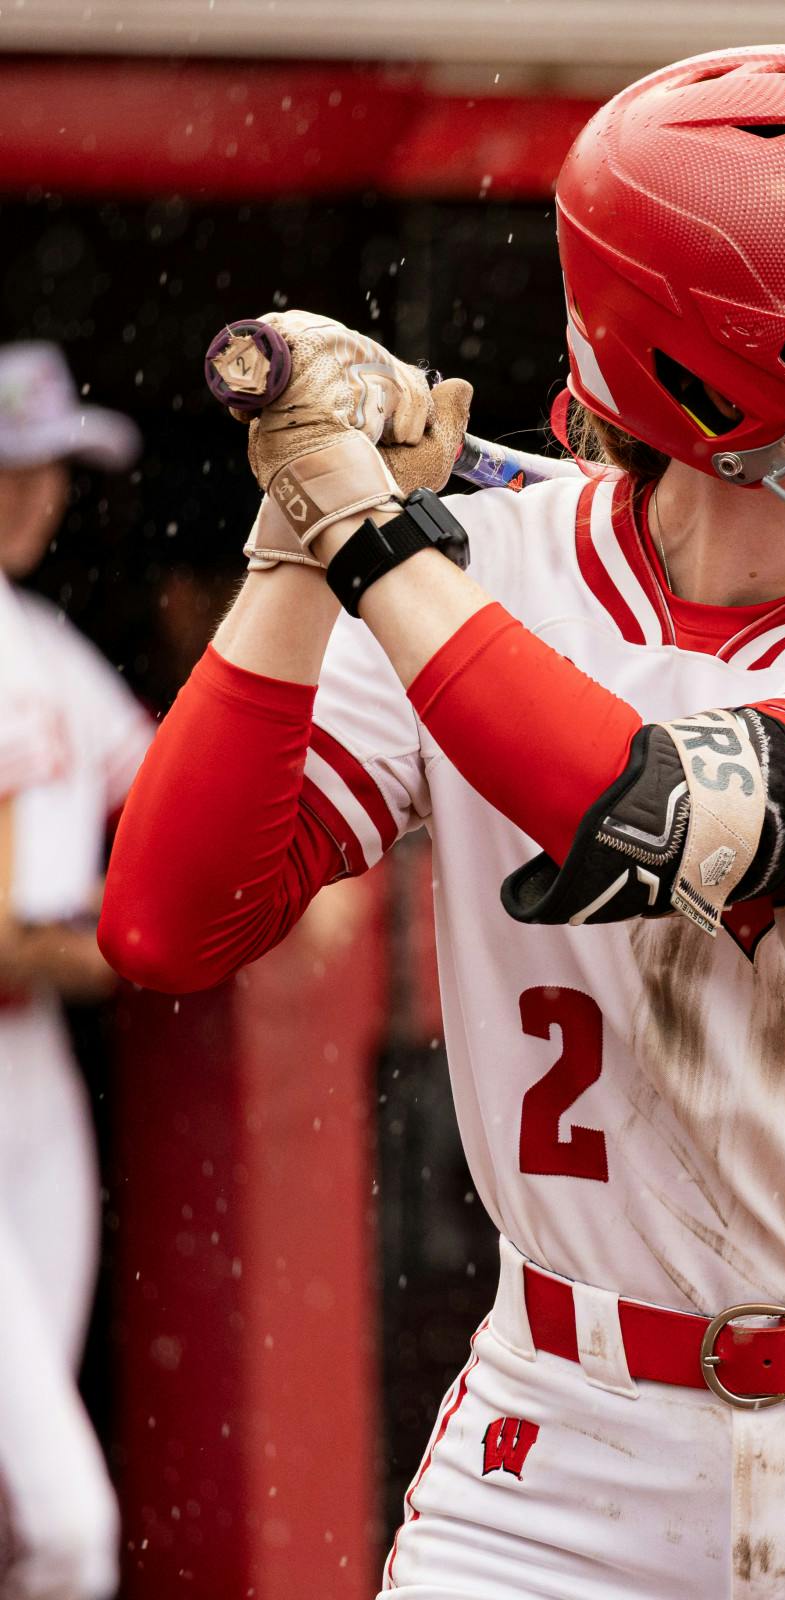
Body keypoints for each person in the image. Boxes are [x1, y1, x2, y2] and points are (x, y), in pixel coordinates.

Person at [99, 45, 785, 1600]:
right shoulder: (480, 570)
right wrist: (294, 538)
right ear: (736, 377)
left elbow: (651, 809)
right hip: (556, 1453)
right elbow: (168, 920)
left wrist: (379, 541)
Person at [0, 340, 151, 1600]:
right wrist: (145, 937)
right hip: (21, 1006)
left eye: (51, 469)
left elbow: (171, 801)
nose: (36, 495)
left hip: (33, 1071)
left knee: (24, 1502)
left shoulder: (40, 637)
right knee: (65, 1522)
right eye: (11, 469)